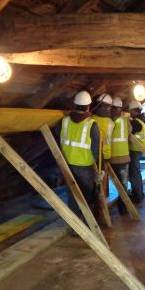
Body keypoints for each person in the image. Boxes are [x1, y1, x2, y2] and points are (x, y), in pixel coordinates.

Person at [59, 90, 100, 223]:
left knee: (72, 196)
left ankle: (75, 224)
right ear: (88, 106)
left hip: (67, 165)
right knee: (87, 196)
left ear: (75, 105)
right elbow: (96, 149)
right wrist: (100, 169)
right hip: (85, 167)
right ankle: (88, 224)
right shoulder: (91, 124)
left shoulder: (64, 121)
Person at [110, 96, 132, 214]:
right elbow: (129, 132)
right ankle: (123, 209)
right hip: (124, 158)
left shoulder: (107, 121)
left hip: (110, 158)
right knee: (123, 185)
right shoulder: (125, 121)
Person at [127, 99, 145, 204]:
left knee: (134, 174)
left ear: (135, 111)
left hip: (134, 150)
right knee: (136, 173)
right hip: (138, 149)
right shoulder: (141, 120)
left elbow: (128, 131)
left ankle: (137, 196)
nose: (130, 112)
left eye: (131, 111)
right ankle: (139, 194)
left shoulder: (136, 123)